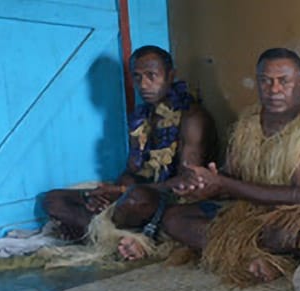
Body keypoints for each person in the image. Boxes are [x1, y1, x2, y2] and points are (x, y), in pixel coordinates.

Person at [156, 48, 300, 286]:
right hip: (248, 211)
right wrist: (205, 184)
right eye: (265, 81)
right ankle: (253, 256)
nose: (274, 90)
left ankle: (246, 253)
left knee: (292, 234)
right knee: (174, 218)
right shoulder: (248, 122)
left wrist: (224, 184)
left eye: (283, 81)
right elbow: (231, 175)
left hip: (294, 214)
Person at [42, 45, 216, 253]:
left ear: (171, 76)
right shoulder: (142, 117)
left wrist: (122, 192)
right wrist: (106, 196)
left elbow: (186, 184)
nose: (143, 85)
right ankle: (114, 237)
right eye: (137, 77)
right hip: (135, 196)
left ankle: (100, 234)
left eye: (152, 76)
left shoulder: (192, 118)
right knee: (53, 199)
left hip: (170, 204)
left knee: (135, 200)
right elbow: (131, 172)